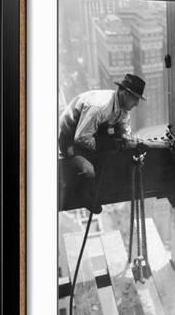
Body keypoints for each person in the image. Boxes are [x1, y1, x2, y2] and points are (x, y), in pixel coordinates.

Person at [59, 73, 146, 213]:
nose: (136, 103)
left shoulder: (123, 109)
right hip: (69, 139)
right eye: (135, 98)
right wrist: (111, 145)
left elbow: (124, 132)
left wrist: (130, 141)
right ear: (123, 93)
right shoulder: (100, 107)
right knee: (89, 170)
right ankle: (84, 196)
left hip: (89, 134)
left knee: (113, 154)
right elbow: (81, 138)